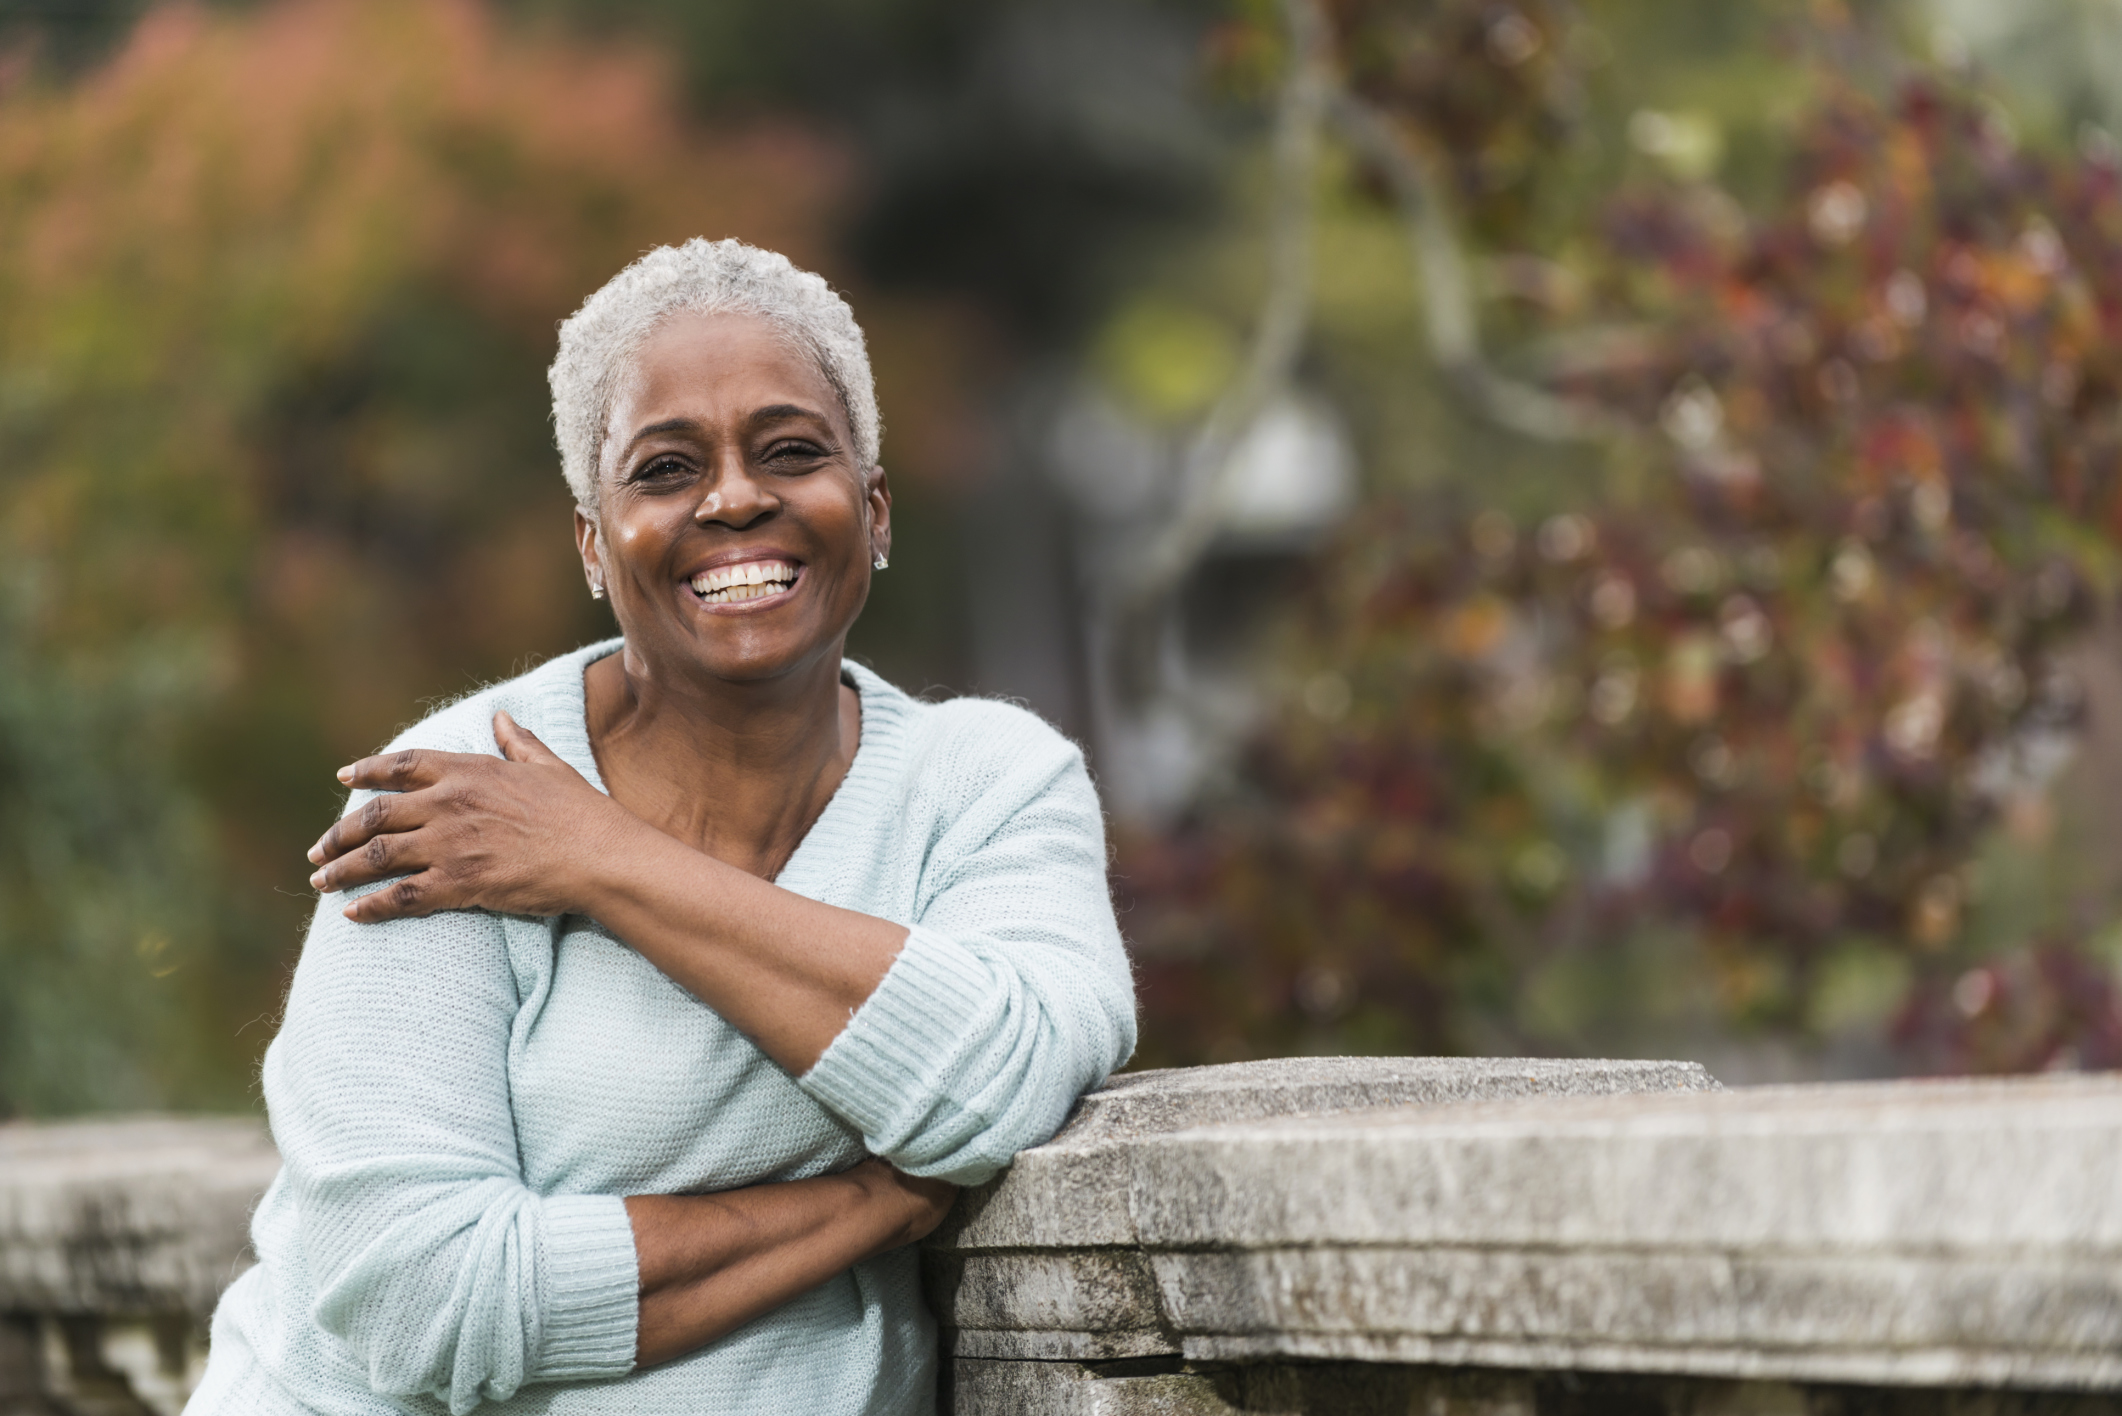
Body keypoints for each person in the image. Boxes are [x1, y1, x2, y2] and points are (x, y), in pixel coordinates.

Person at [184, 238, 1137, 1416]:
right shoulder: (452, 800)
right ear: (593, 541)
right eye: (666, 467)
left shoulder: (987, 784)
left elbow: (1005, 1082)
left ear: (873, 510)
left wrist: (600, 857)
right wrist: (862, 1205)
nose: (735, 497)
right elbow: (415, 1297)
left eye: (791, 451)